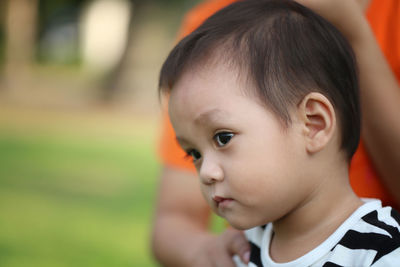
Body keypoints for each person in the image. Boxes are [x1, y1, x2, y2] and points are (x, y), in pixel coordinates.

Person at [152, 0, 400, 266]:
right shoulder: (243, 249)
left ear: (313, 124)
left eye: (223, 138)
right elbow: (170, 223)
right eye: (194, 154)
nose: (206, 173)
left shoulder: (380, 252)